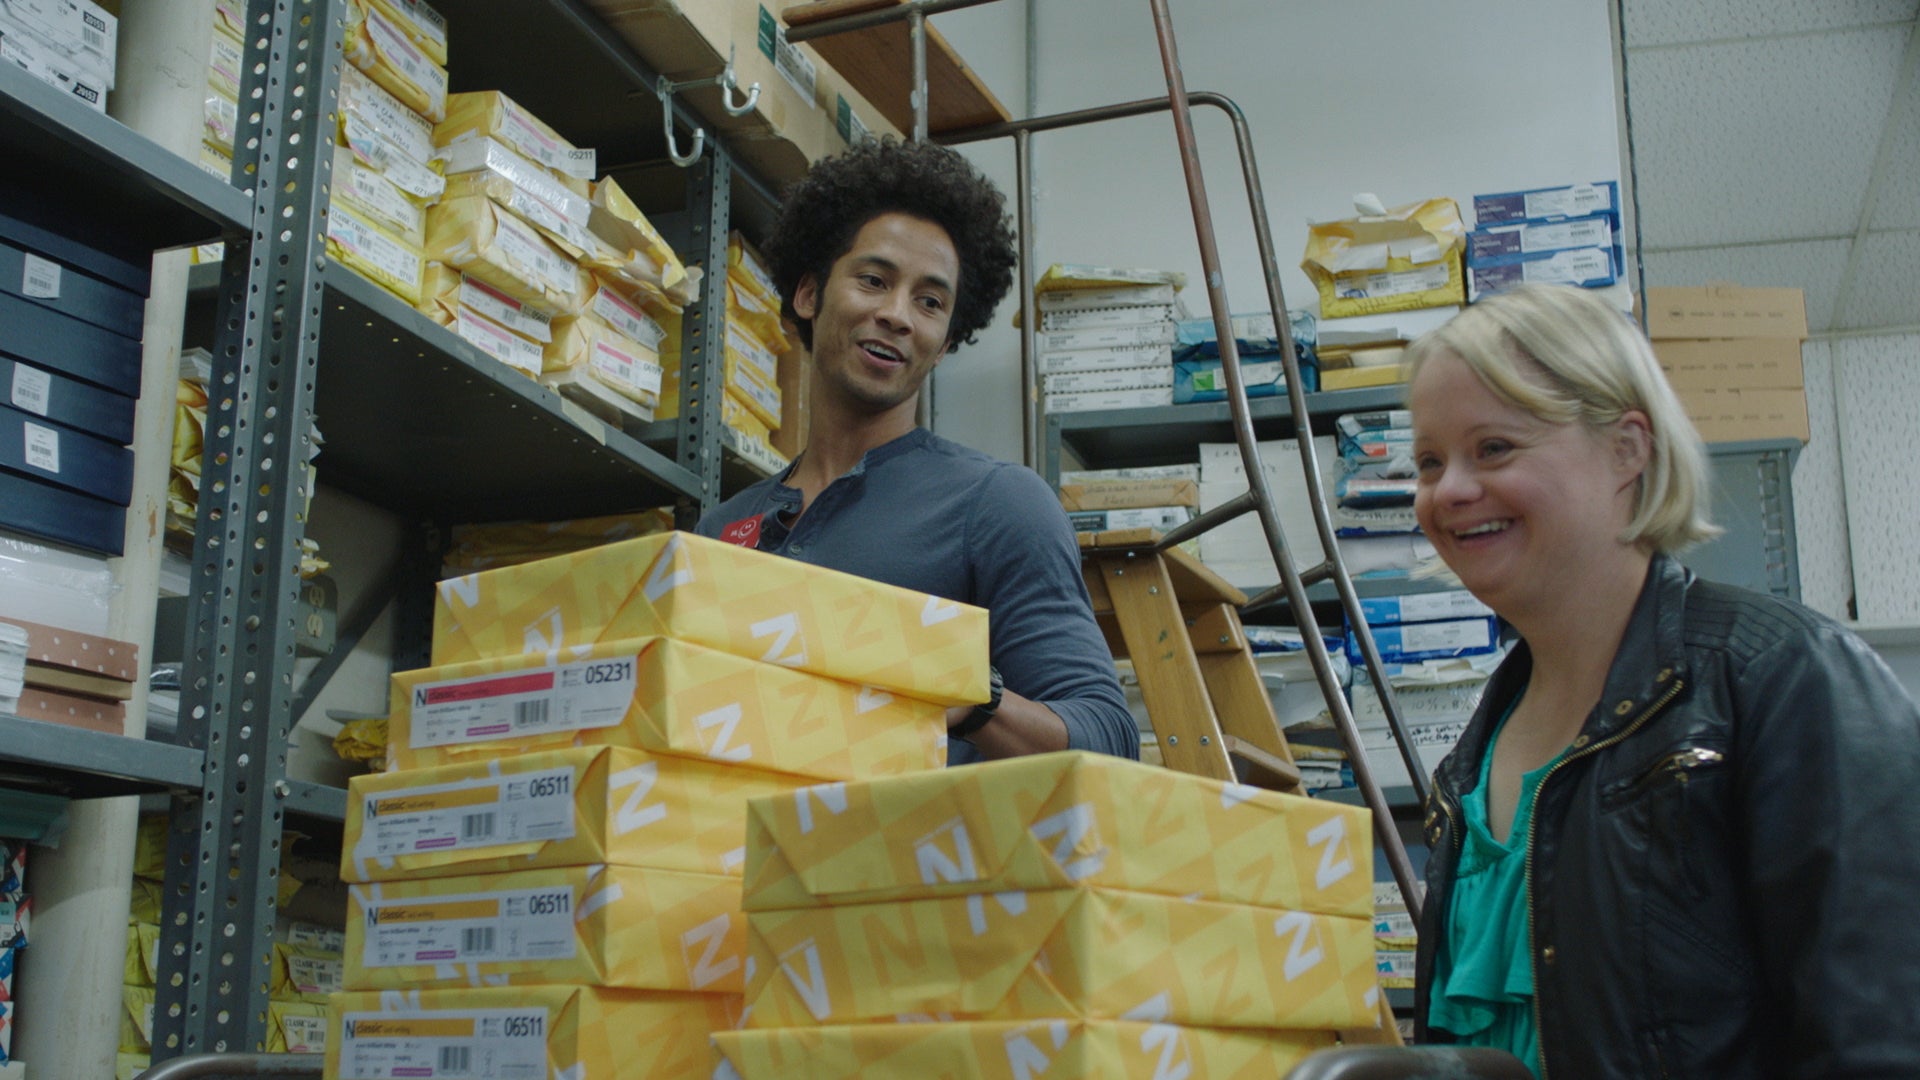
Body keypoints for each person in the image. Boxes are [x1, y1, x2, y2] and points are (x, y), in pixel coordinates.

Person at [1403, 283, 1920, 1077]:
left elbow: (1882, 1036)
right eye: (1430, 461)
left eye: (1494, 448)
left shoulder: (1780, 677)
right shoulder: (1470, 761)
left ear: (1626, 449)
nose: (1450, 491)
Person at [695, 138, 1136, 766]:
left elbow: (1107, 739)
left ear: (947, 340)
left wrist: (966, 694)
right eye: (874, 281)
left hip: (911, 860)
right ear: (809, 294)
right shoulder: (722, 529)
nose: (897, 315)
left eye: (930, 302)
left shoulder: (997, 503)